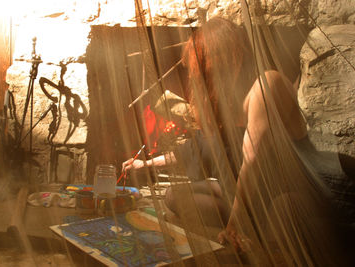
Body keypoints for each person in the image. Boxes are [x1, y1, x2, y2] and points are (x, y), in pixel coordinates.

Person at [123, 16, 355, 265]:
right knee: (173, 196)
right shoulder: (226, 104)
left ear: (221, 60)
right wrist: (143, 165)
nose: (196, 76)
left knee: (283, 212)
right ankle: (253, 221)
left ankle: (255, 225)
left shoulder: (267, 84)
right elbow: (189, 150)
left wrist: (234, 226)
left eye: (200, 67)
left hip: (303, 184)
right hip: (258, 193)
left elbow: (251, 161)